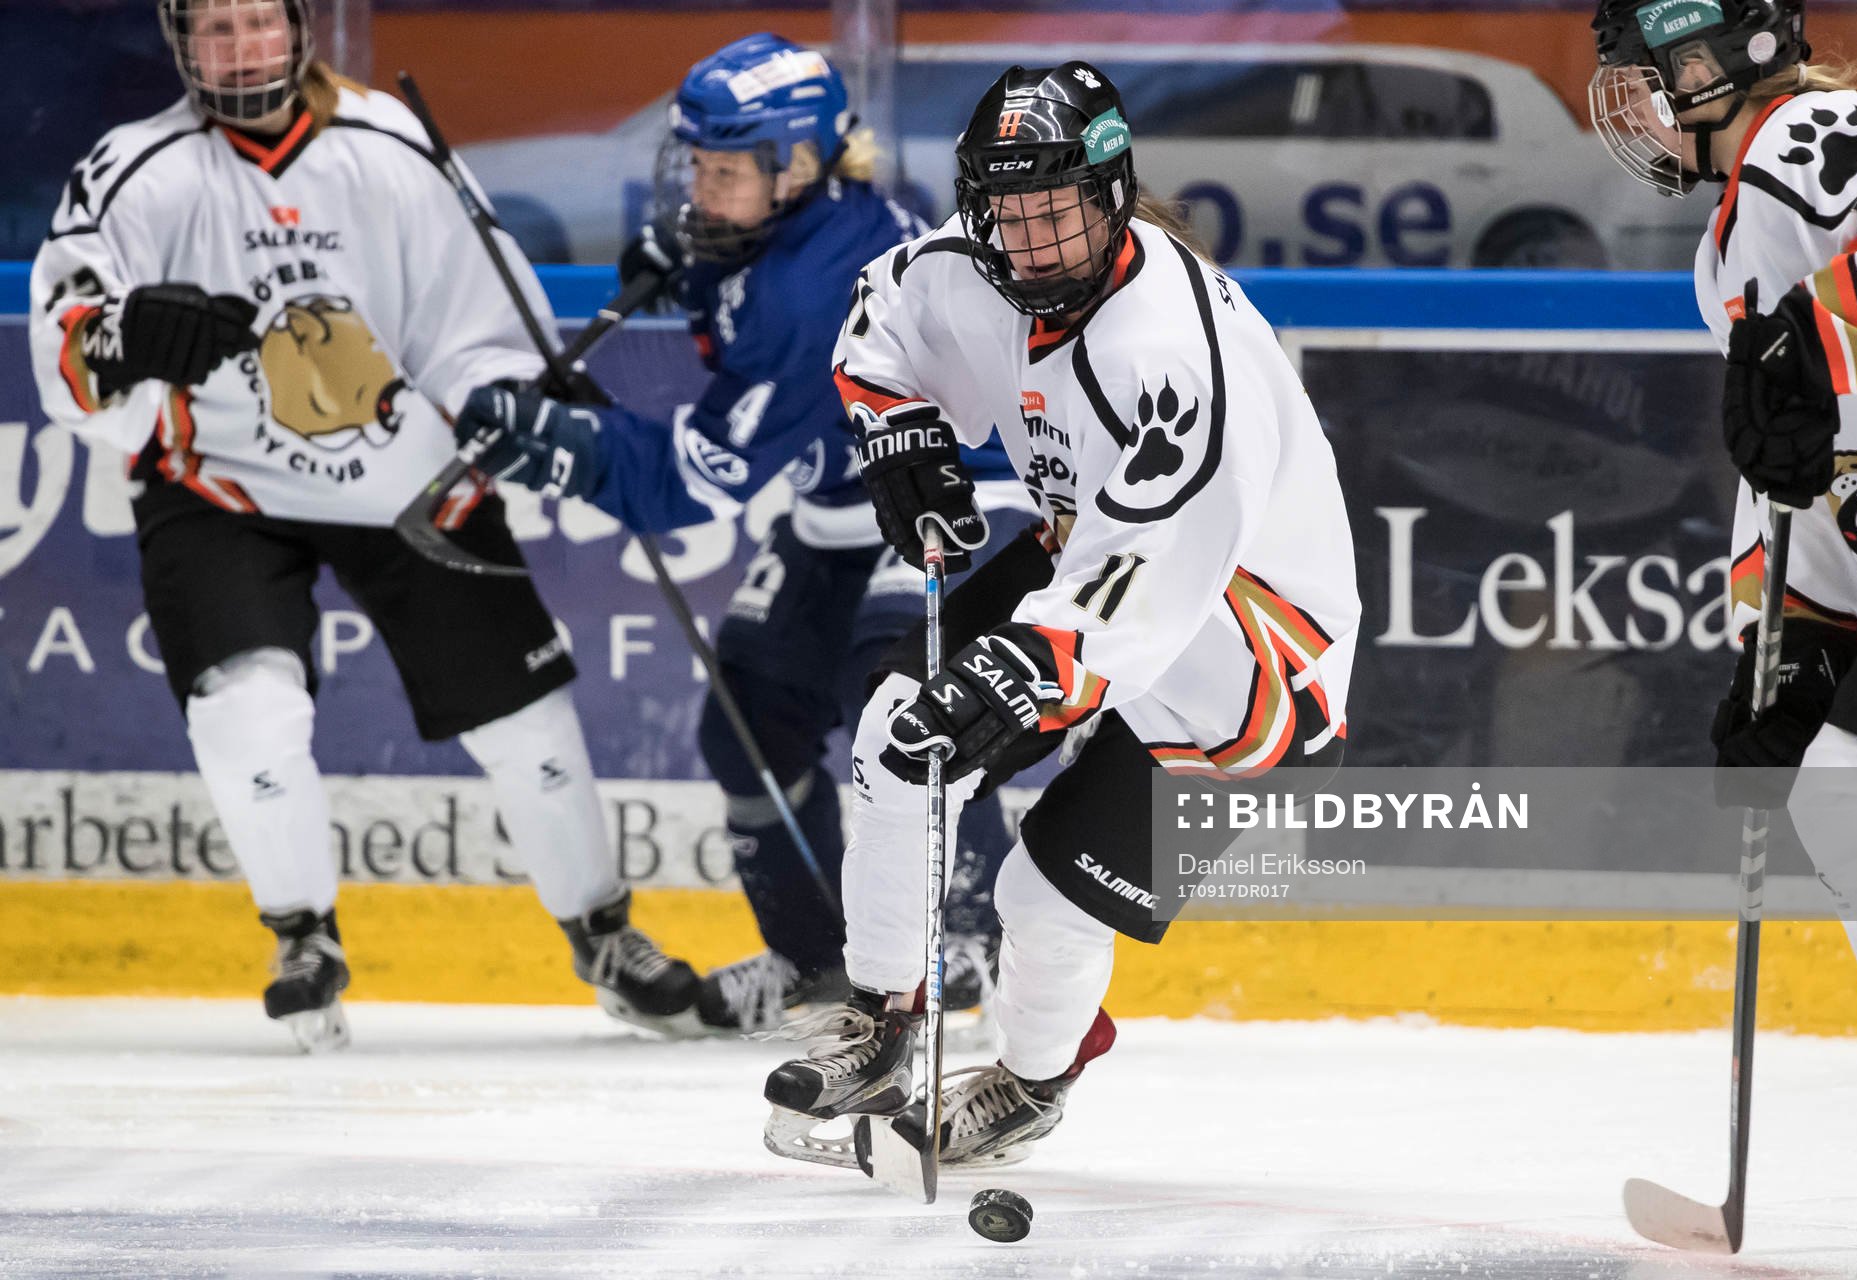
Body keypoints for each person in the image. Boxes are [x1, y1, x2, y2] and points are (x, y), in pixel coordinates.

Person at [27, 0, 699, 1052]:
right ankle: (303, 935)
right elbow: (68, 344)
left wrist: (497, 397)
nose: (240, 49)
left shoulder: (390, 144)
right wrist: (124, 338)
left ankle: (605, 938)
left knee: (527, 719)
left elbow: (479, 320)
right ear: (179, 40)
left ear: (299, 25)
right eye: (214, 29)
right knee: (246, 704)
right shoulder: (132, 170)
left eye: (258, 22)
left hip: (409, 483)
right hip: (221, 485)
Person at [757, 60, 1359, 1167]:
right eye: (1009, 211)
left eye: (1057, 210)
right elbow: (881, 310)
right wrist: (897, 428)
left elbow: (1159, 571)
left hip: (1254, 653)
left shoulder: (1173, 349)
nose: (1031, 241)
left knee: (1043, 895)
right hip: (1089, 571)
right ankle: (882, 1021)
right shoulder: (978, 262)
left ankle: (1031, 1084)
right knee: (900, 739)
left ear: (1113, 194)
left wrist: (1030, 667)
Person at [451, 33, 1028, 1034]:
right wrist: (693, 274)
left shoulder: (815, 286)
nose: (701, 188)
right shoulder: (786, 232)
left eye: (726, 171)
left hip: (945, 503)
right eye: (698, 166)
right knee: (751, 721)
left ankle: (972, 942)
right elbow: (737, 322)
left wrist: (569, 451)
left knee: (908, 711)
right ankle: (819, 965)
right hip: (843, 506)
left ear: (796, 165)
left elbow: (690, 482)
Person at [1592, 0, 1857, 1269]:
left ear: (1720, 58)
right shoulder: (1733, 238)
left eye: (1651, 73)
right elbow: (1809, 459)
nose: (1635, 103)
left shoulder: (1807, 137)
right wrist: (1793, 640)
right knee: (1854, 795)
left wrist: (1808, 338)